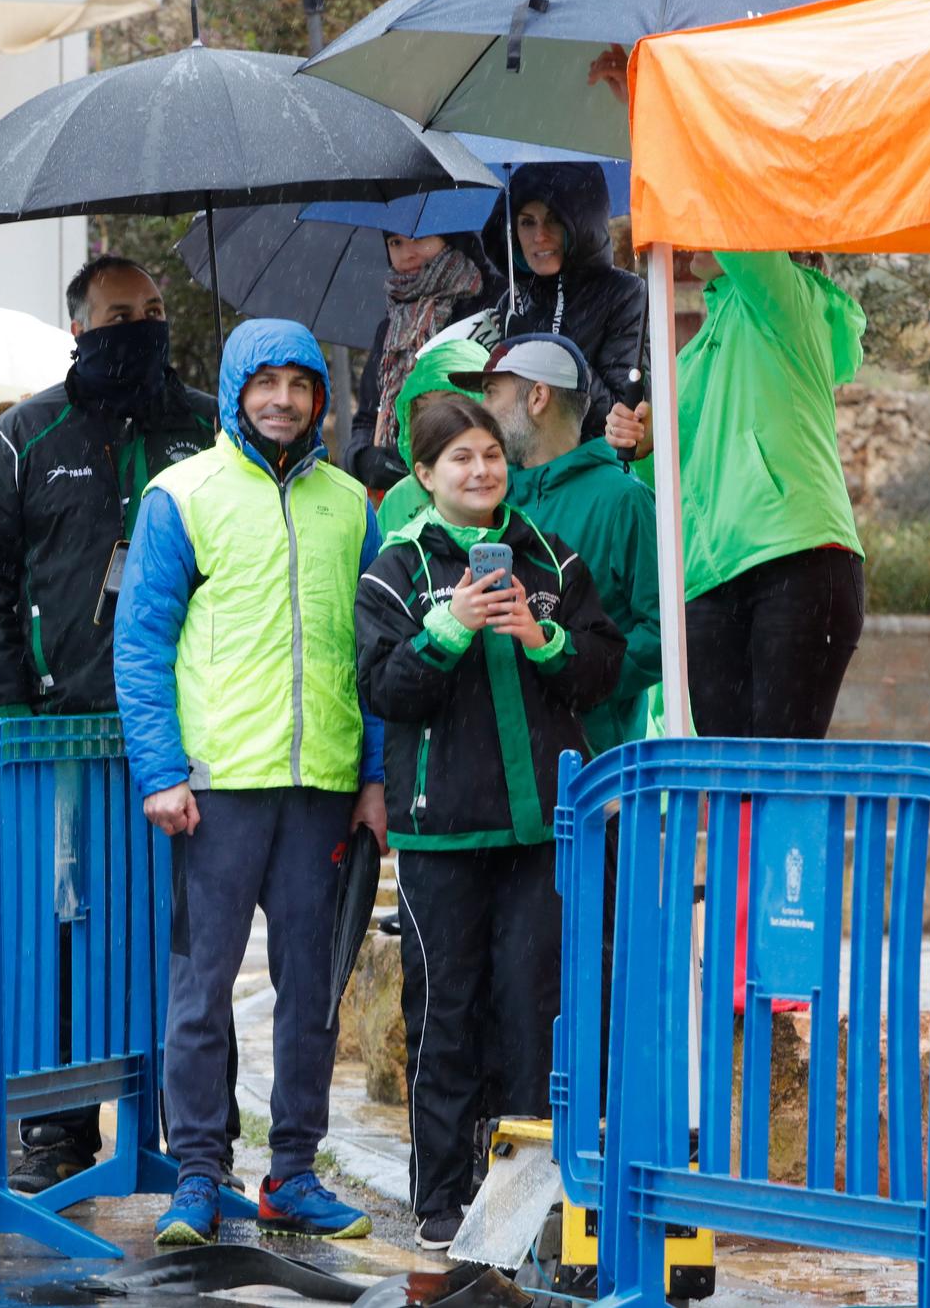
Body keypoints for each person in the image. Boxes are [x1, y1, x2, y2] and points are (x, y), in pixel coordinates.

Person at [0, 253, 235, 1195]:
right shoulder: (22, 438)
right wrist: (9, 713)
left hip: (189, 733)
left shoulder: (211, 427)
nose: (145, 323)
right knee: (70, 929)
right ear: (79, 326)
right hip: (60, 734)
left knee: (192, 935)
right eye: (124, 312)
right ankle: (61, 1126)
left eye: (155, 309)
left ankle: (198, 1132)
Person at [114, 319, 383, 1246]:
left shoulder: (351, 503)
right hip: (217, 785)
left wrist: (373, 775)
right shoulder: (179, 496)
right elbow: (141, 642)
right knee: (202, 991)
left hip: (321, 786)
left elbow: (372, 649)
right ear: (234, 389)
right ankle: (197, 1172)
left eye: (299, 383)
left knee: (312, 991)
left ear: (319, 397)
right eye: (263, 381)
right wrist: (160, 771)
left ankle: (294, 1173)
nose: (282, 398)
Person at [356, 396, 623, 1251]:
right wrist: (446, 629)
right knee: (444, 1012)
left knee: (530, 1011)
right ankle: (441, 1194)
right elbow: (383, 689)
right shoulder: (396, 568)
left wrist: (543, 639)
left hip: (540, 829)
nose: (480, 471)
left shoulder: (550, 554)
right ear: (425, 475)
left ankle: (529, 1194)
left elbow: (603, 666)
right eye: (459, 459)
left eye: (491, 456)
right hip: (442, 834)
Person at [603, 251, 866, 739]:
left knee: (776, 777)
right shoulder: (695, 351)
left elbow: (737, 222)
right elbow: (679, 479)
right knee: (727, 780)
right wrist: (643, 448)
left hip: (796, 556)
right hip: (709, 577)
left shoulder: (786, 298)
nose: (688, 236)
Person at [462, 334, 659, 753]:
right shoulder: (488, 497)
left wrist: (581, 677)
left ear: (537, 397)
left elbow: (664, 633)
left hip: (596, 771)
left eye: (492, 393)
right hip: (499, 766)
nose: (481, 410)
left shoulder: (623, 500)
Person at [491, 163, 646, 436]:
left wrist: (551, 354)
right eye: (527, 222)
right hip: (524, 470)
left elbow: (622, 416)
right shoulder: (512, 302)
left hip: (592, 467)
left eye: (554, 219)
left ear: (581, 223)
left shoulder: (625, 294)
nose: (539, 236)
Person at [344, 232, 505, 494]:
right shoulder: (391, 326)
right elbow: (366, 417)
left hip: (479, 480)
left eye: (419, 238)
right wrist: (364, 459)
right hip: (406, 496)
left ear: (451, 238)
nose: (408, 253)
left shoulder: (495, 304)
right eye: (395, 243)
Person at [371, 338, 490, 541]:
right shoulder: (398, 500)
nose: (434, 420)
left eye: (451, 405)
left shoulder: (512, 490)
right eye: (423, 408)